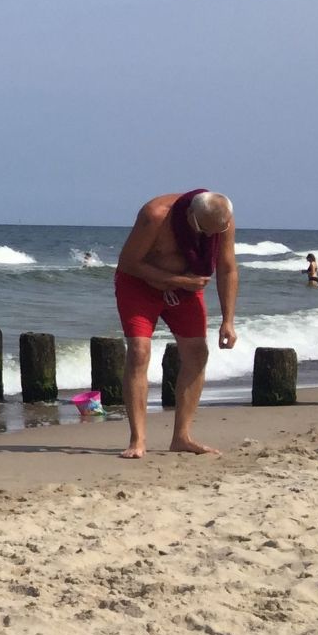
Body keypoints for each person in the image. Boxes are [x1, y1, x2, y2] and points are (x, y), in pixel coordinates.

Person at [114, 188, 239, 459]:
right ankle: (138, 440)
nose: (208, 237)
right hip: (139, 285)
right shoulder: (155, 215)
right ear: (189, 214)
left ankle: (182, 436)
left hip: (186, 286)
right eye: (202, 230)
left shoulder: (221, 220)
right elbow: (128, 262)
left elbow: (227, 268)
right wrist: (177, 281)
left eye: (213, 233)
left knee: (197, 353)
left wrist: (228, 320)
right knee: (139, 352)